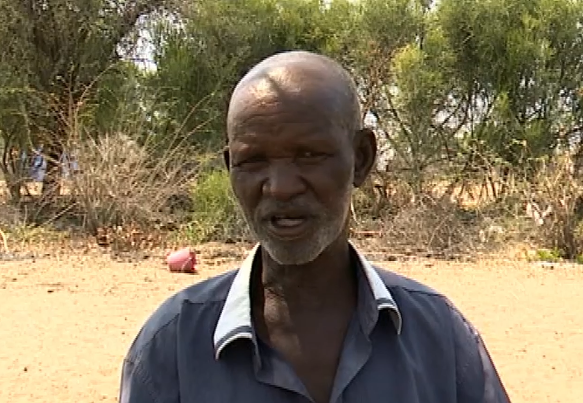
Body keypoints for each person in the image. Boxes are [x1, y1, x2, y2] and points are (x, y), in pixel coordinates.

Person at [119, 51, 511, 403]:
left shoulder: (439, 338)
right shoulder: (173, 347)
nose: (281, 187)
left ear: (361, 159)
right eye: (253, 160)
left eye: (309, 155)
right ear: (230, 168)